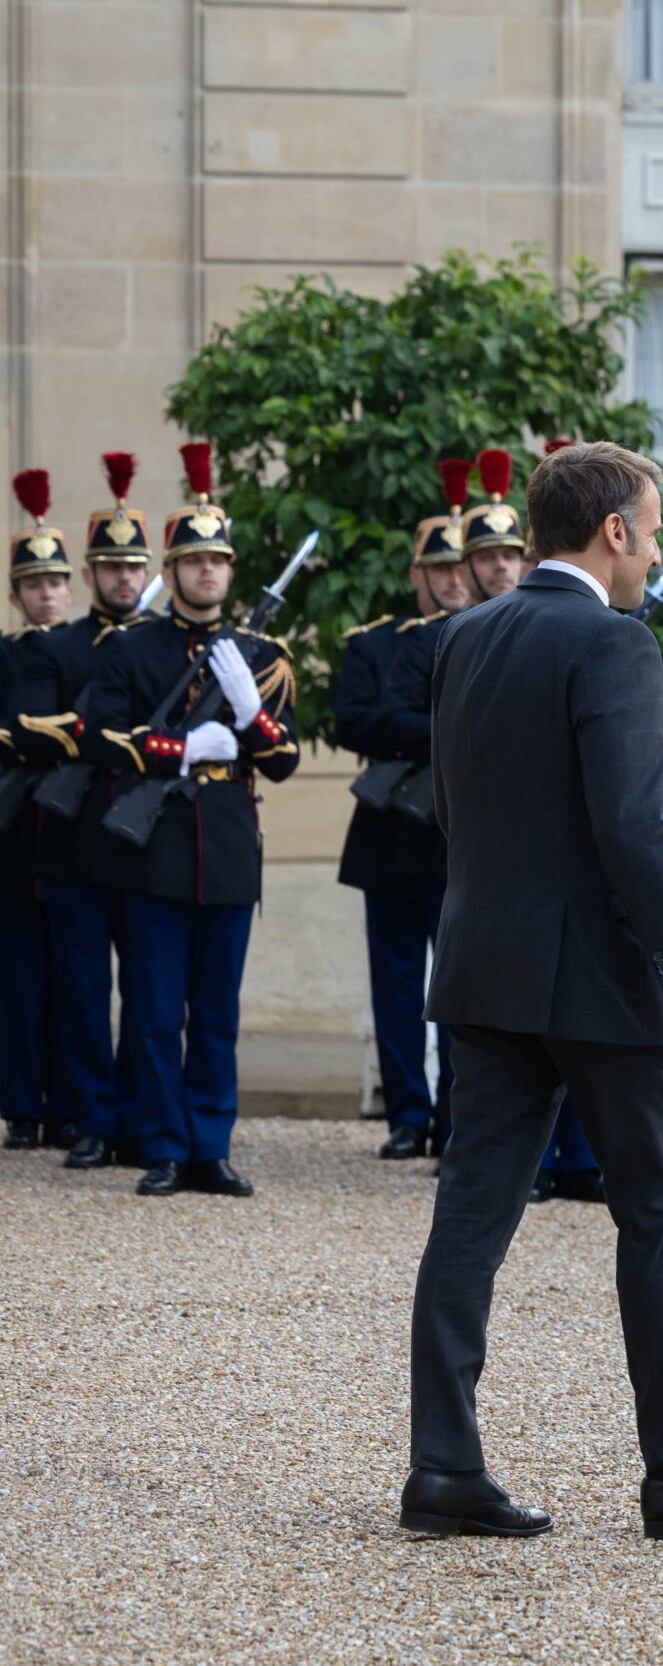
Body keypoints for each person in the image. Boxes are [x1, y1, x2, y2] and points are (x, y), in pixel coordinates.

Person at [404, 438, 663, 1542]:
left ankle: (443, 1467)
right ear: (615, 532)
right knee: (658, 1216)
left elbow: (451, 810)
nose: (658, 544)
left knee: (471, 1218)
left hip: (483, 966)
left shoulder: (464, 637)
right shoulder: (614, 642)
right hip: (601, 983)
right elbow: (635, 831)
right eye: (654, 521)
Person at [73, 443, 300, 1197]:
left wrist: (248, 712)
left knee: (216, 1016)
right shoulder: (133, 649)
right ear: (168, 571)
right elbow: (99, 736)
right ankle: (163, 1144)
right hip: (154, 848)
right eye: (192, 561)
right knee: (153, 1009)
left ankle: (210, 1144)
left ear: (231, 571)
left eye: (218, 561)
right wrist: (175, 749)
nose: (207, 571)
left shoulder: (261, 655)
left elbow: (285, 758)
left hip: (229, 847)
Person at [7, 453, 156, 1169]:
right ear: (90, 574)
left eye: (135, 567)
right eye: (111, 567)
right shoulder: (55, 647)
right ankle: (90, 1117)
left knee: (153, 997)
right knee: (82, 989)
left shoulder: (162, 645)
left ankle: (139, 1117)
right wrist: (105, 730)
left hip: (149, 839)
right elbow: (35, 727)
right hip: (73, 837)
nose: (125, 578)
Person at [340, 462, 475, 1161]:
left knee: (455, 989)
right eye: (440, 569)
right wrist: (439, 730)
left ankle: (453, 1117)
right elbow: (356, 720)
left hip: (456, 839)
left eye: (463, 567)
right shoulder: (377, 642)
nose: (454, 580)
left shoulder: (491, 635)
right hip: (393, 833)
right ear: (417, 574)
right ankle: (404, 1114)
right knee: (395, 985)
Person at [1, 470, 76, 1148]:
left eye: (55, 582)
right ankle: (24, 1106)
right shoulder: (6, 654)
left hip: (77, 830)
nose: (46, 593)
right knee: (21, 981)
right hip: (16, 834)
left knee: (75, 981)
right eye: (34, 583)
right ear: (17, 594)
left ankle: (72, 1105)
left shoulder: (90, 649)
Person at [457, 449, 526, 602]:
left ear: (523, 566)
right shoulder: (454, 626)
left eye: (510, 556)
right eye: (485, 558)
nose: (501, 565)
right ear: (463, 572)